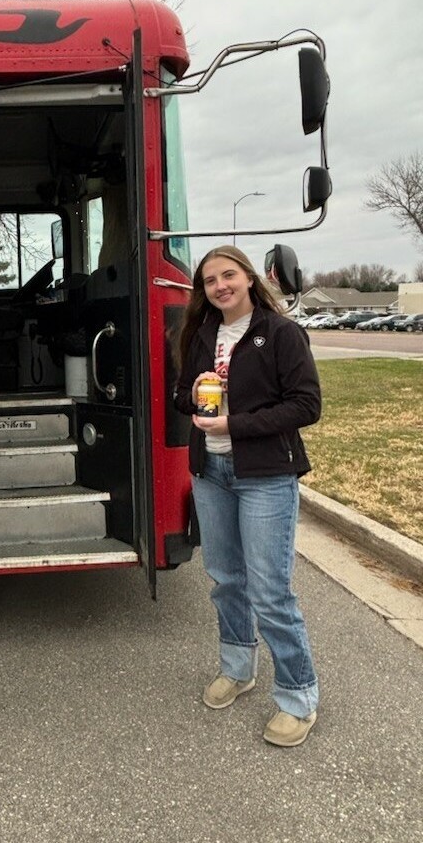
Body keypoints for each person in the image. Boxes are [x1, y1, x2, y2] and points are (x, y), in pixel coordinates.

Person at [174, 245, 321, 747]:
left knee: (270, 591)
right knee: (224, 579)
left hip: (265, 476)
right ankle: (238, 668)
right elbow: (180, 397)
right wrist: (193, 395)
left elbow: (306, 405)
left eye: (228, 275)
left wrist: (234, 423)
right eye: (210, 280)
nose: (220, 286)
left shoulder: (281, 333)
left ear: (248, 278)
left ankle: (298, 695)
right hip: (210, 471)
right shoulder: (200, 334)